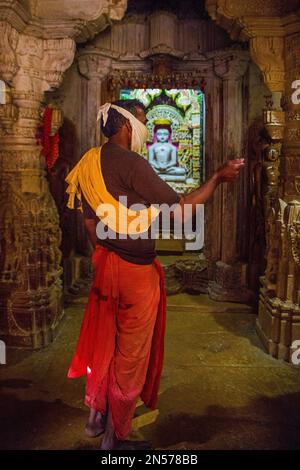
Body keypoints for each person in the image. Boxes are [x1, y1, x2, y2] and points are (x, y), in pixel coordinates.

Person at [65, 99, 245, 450]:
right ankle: (115, 436)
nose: (147, 133)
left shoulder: (88, 162)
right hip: (134, 273)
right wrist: (217, 178)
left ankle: (95, 418)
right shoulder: (132, 163)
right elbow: (179, 213)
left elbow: (89, 224)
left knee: (106, 342)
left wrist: (109, 249)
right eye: (145, 123)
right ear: (129, 126)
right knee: (130, 352)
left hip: (106, 265)